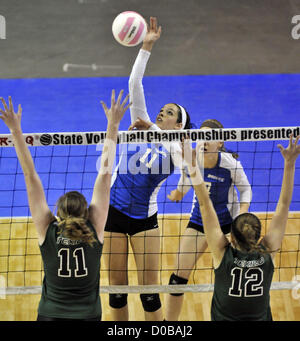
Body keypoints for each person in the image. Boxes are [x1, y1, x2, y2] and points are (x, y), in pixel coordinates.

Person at [0, 91, 130, 321]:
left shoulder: (48, 231)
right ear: (87, 212)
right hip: (88, 316)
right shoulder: (94, 228)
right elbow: (106, 174)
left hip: (50, 315)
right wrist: (114, 124)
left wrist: (15, 131)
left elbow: (30, 177)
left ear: (58, 215)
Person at [104, 17, 193, 321]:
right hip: (113, 211)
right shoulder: (143, 120)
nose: (160, 113)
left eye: (168, 113)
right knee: (116, 290)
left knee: (149, 292)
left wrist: (154, 127)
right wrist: (146, 47)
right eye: (161, 110)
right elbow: (134, 84)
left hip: (144, 219)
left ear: (178, 124)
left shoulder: (178, 146)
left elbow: (184, 168)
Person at [181, 133, 300, 320]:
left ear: (232, 236)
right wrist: (290, 163)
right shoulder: (267, 253)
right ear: (260, 236)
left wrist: (192, 165)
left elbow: (204, 203)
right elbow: (284, 206)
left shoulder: (223, 255)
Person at [165, 119, 252, 321]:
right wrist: (179, 193)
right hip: (199, 222)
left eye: (209, 138)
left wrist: (242, 214)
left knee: (231, 279)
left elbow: (246, 188)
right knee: (177, 278)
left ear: (220, 143)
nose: (203, 141)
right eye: (200, 137)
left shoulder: (230, 164)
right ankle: (168, 324)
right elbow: (187, 177)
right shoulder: (193, 161)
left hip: (227, 225)